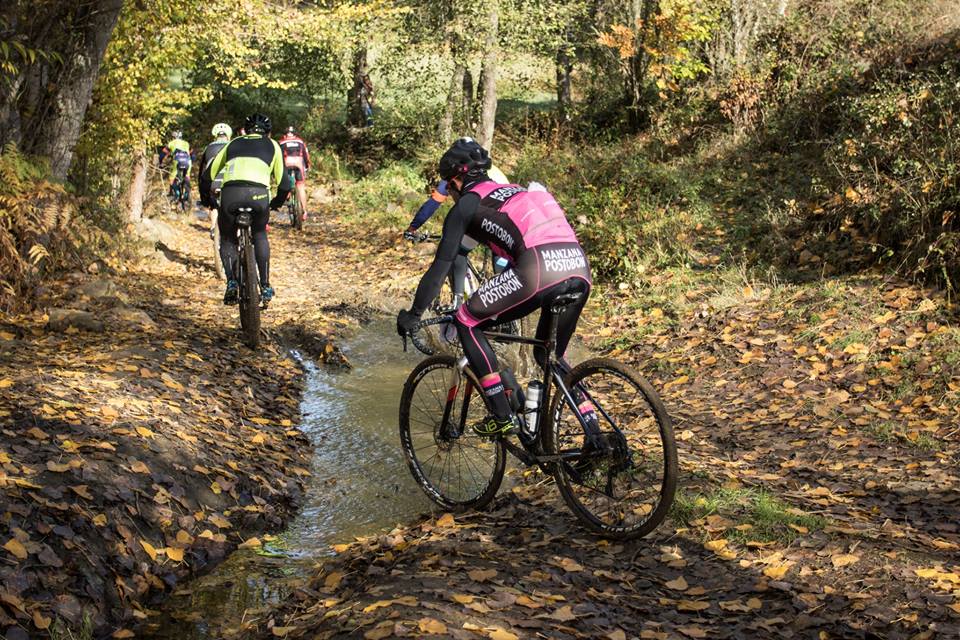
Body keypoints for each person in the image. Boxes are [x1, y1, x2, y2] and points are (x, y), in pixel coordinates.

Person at [396, 139, 594, 441]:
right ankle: (595, 430)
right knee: (548, 356)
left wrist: (413, 315)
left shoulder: (466, 204)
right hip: (578, 265)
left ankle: (502, 416)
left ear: (456, 180)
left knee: (466, 320)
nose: (449, 194)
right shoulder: (513, 190)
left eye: (449, 188)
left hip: (538, 267)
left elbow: (441, 267)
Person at [199, 113, 292, 306]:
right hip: (259, 196)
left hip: (231, 194)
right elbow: (284, 183)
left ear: (244, 131)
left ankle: (232, 282)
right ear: (269, 132)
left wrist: (206, 199)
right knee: (259, 235)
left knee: (227, 238)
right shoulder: (273, 145)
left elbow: (207, 176)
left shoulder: (231, 144)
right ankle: (265, 285)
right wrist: (277, 202)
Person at [403, 142, 510, 307]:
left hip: (479, 214)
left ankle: (457, 301)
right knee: (501, 256)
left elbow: (432, 204)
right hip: (507, 218)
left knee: (458, 250)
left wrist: (413, 228)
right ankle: (505, 301)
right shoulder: (490, 170)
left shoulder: (457, 175)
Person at [198, 123, 232, 235]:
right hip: (230, 182)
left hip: (214, 183)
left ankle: (213, 228)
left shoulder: (209, 148)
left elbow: (202, 172)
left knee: (214, 205)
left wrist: (204, 196)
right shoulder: (233, 146)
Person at [278, 126, 310, 220]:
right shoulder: (300, 142)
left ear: (285, 134)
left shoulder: (281, 142)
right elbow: (306, 156)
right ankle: (304, 212)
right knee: (300, 186)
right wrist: (307, 167)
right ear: (295, 134)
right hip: (299, 164)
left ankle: (287, 196)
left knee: (285, 182)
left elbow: (278, 157)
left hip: (286, 163)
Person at [164, 131, 192, 199]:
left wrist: (170, 154)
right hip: (188, 160)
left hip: (177, 160)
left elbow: (164, 150)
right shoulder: (186, 143)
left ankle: (174, 193)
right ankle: (187, 194)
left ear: (173, 137)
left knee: (172, 178)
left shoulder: (171, 143)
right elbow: (191, 150)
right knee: (187, 176)